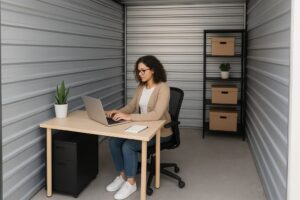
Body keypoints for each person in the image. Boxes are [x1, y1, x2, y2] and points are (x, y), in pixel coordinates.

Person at [105, 55, 173, 200]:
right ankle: (123, 176)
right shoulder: (141, 87)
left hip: (160, 131)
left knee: (128, 146)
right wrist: (118, 112)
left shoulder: (163, 88)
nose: (140, 74)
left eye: (143, 70)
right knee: (113, 141)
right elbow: (131, 106)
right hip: (142, 127)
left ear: (153, 70)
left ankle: (131, 183)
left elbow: (156, 114)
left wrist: (130, 117)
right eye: (138, 71)